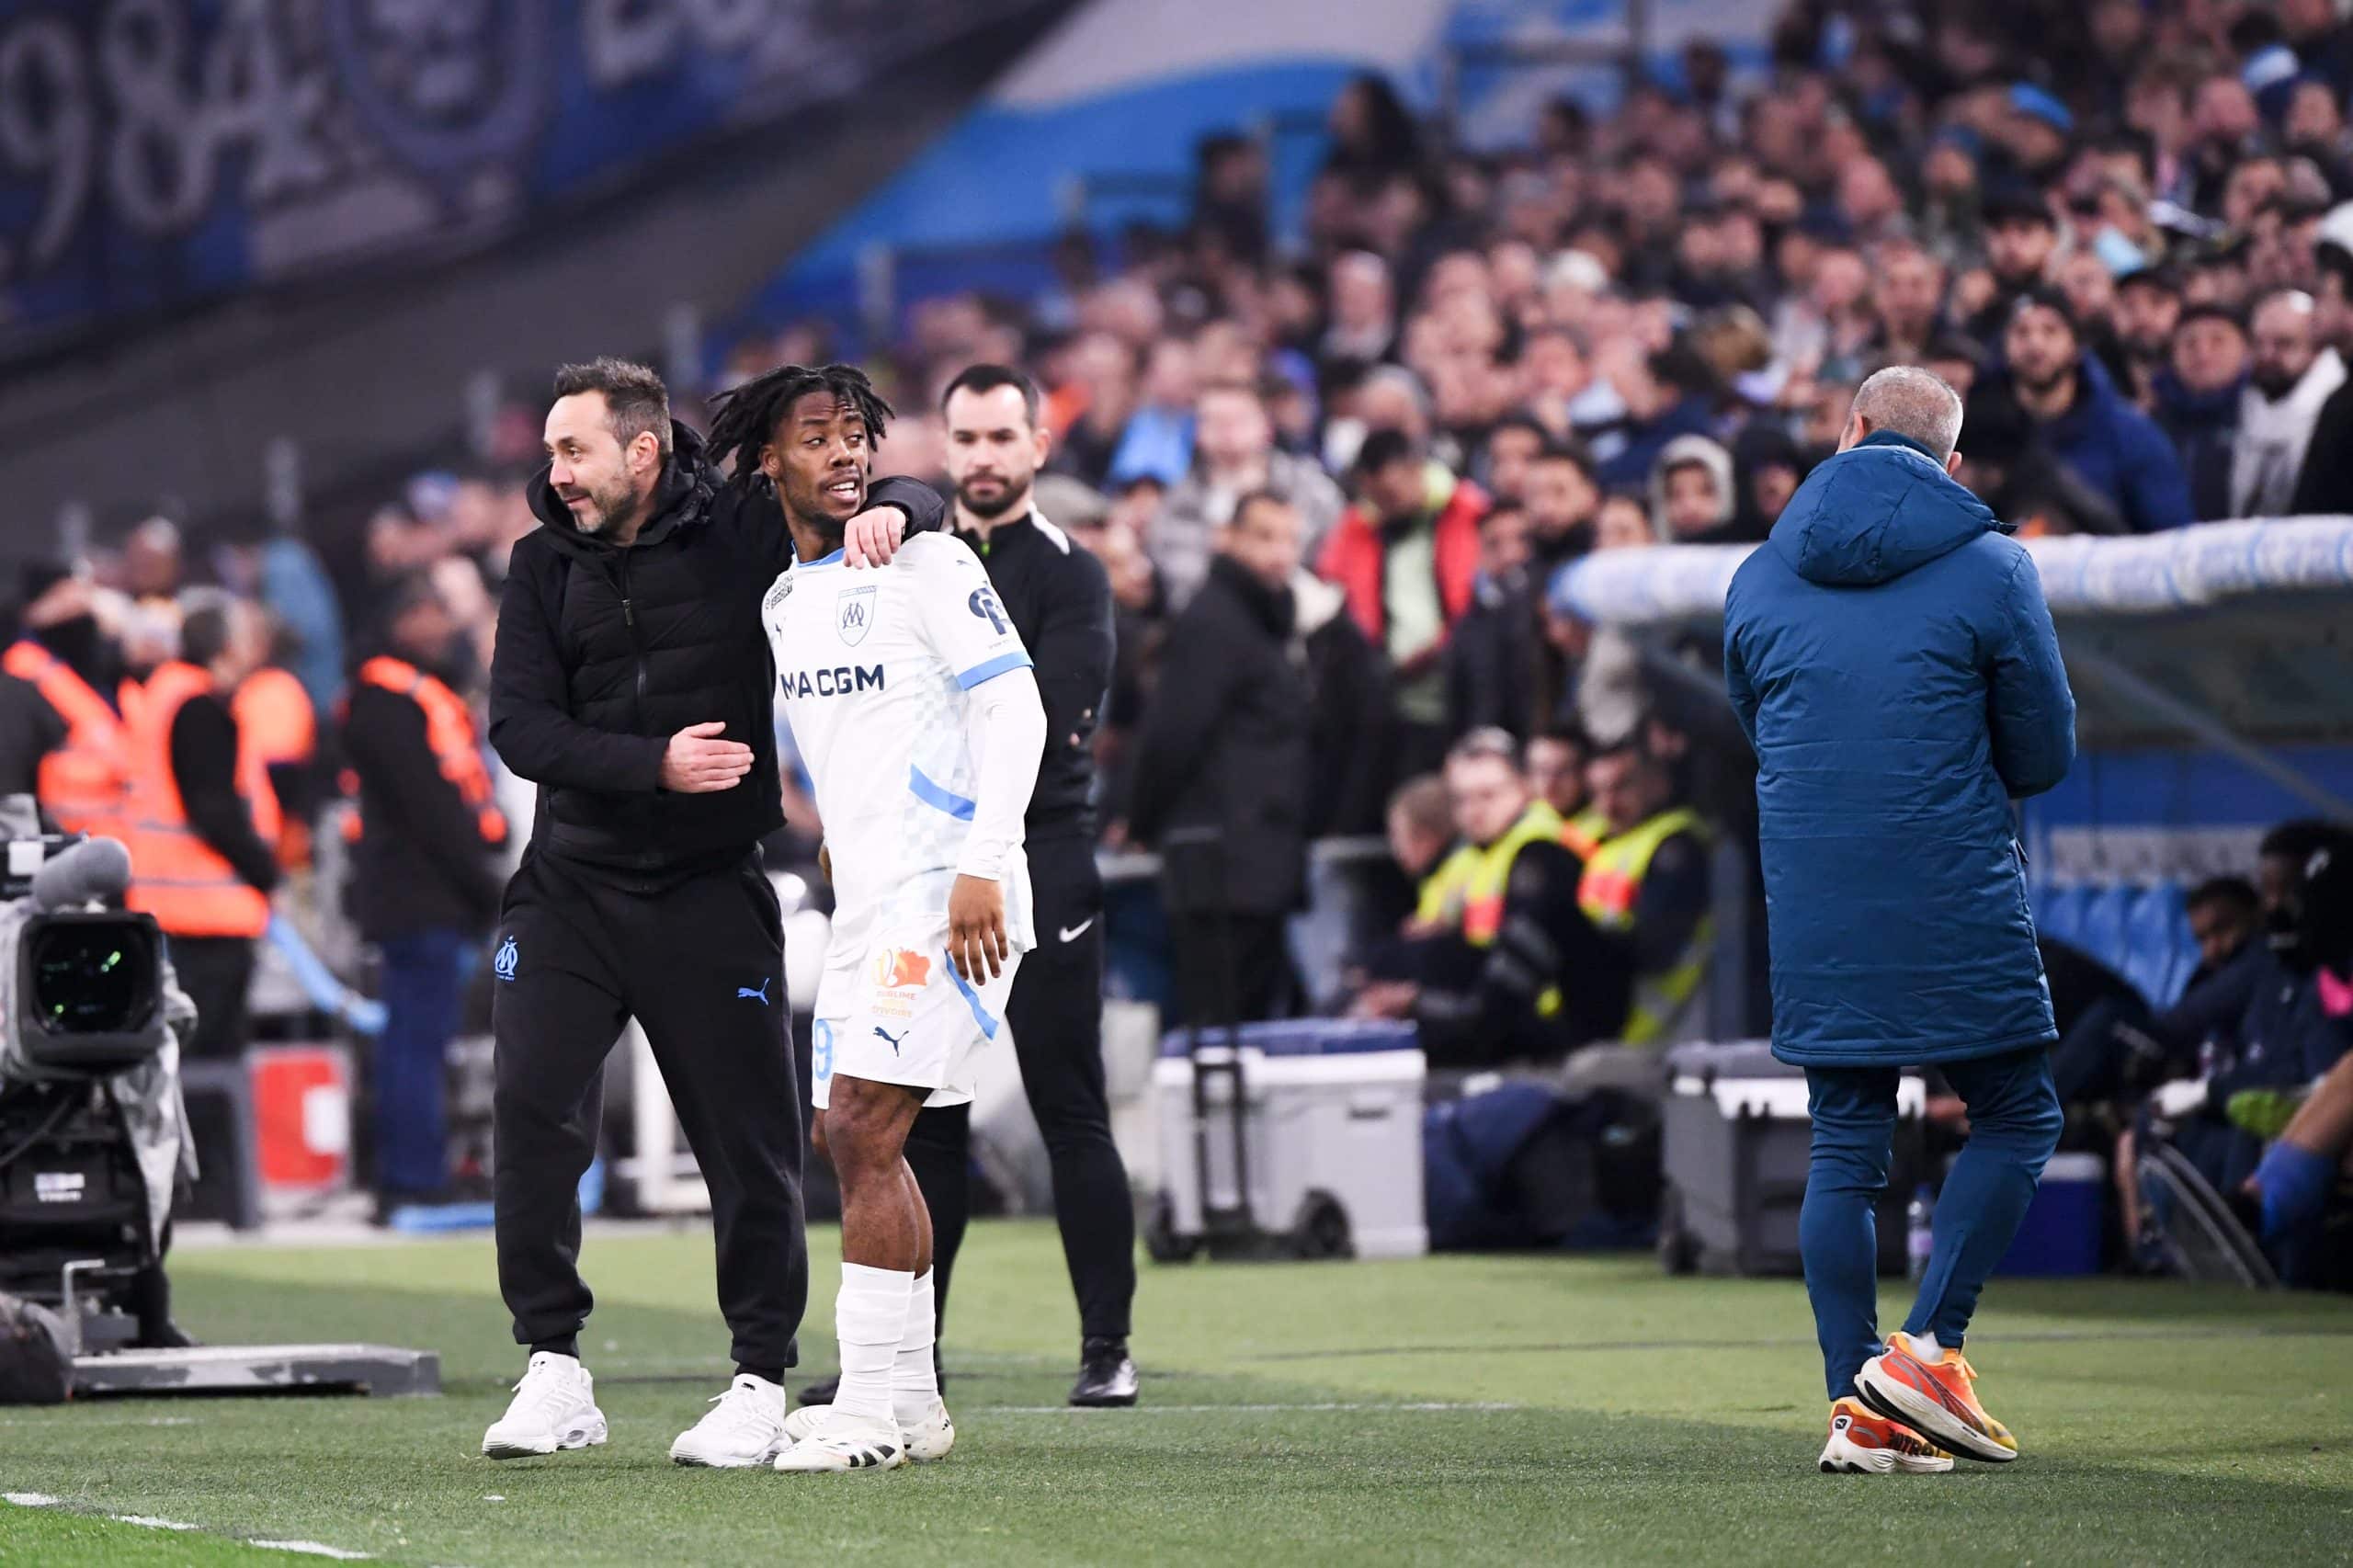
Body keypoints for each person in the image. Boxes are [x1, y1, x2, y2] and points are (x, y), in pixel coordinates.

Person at [479, 358, 942, 1469]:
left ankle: (755, 1379)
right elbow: (519, 728)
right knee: (532, 1113)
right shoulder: (540, 562)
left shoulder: (738, 527)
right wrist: (654, 763)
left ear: (642, 451)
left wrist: (892, 509)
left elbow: (900, 490)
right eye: (552, 451)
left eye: (573, 450)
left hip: (707, 892)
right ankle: (553, 1363)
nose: (556, 472)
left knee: (753, 1146)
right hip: (570, 889)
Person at [1723, 366, 2075, 1473]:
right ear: (1951, 464)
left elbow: (1758, 724)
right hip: (1951, 875)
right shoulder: (1990, 562)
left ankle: (1853, 1404)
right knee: (2016, 1111)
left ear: (1849, 430)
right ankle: (1926, 1350)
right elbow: (2044, 751)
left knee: (1845, 1142)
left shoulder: (1757, 574)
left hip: (1817, 888)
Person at [798, 363, 1140, 1415]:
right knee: (919, 1118)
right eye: (968, 437)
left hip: (1037, 852)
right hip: (916, 867)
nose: (986, 454)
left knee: (1065, 1098)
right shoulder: (901, 548)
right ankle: (913, 1357)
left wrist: (979, 852)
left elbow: (1048, 717)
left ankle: (1106, 1344)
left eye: (1005, 436)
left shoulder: (1070, 573)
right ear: (943, 450)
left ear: (1038, 446)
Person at [756, 368, 1048, 1474]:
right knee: (848, 1133)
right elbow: (863, 735)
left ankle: (867, 1407)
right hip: (868, 896)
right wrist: (843, 831)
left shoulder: (927, 559)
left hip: (951, 891)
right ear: (769, 463)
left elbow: (1011, 704)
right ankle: (914, 1397)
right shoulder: (785, 598)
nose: (843, 455)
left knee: (866, 1128)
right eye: (816, 438)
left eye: (856, 437)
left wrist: (986, 858)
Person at [339, 575, 509, 1218]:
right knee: (414, 1042)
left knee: (419, 1040)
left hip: (430, 894)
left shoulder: (407, 692)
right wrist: (483, 883)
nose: (446, 628)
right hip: (420, 896)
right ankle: (411, 1174)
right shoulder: (386, 698)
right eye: (433, 612)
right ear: (403, 620)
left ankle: (417, 1168)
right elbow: (429, 808)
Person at [1130, 490, 1313, 1024]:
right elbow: (1172, 734)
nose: (1279, 554)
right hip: (1222, 866)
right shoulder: (1216, 621)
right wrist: (1143, 817)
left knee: (1250, 1021)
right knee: (1224, 1025)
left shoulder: (1259, 620)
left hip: (1249, 864)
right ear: (1227, 538)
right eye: (1263, 536)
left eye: (1290, 539)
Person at [123, 595, 281, 1070]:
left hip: (179, 911)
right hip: (208, 914)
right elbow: (214, 809)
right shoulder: (199, 707)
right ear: (225, 646)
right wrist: (264, 870)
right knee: (211, 1070)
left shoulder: (168, 695)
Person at [1319, 428, 1488, 777]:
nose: (1384, 505)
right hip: (1390, 695)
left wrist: (1443, 650)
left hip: (1462, 681)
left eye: (1390, 493)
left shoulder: (1469, 513)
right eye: (1374, 495)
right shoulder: (1359, 526)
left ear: (1415, 470)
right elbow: (1331, 587)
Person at [1983, 289, 2192, 532]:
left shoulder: (2131, 434)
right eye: (2021, 332)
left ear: (2075, 345)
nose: (2035, 344)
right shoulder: (1982, 437)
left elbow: (2171, 537)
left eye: (2050, 331)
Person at [1152, 379, 1346, 610]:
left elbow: (1337, 564)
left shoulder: (1312, 489)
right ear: (1197, 432)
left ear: (1267, 426)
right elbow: (1181, 589)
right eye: (1214, 421)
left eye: (1240, 420)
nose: (1227, 432)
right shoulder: (1178, 504)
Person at [1576, 739, 1713, 1047]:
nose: (1608, 805)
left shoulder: (1677, 845)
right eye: (1598, 792)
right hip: (1603, 1033)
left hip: (1659, 1038)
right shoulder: (1601, 844)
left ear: (1658, 783)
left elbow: (1654, 948)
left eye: (1622, 788)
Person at [4, 570, 122, 837]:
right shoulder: (22, 674)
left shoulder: (91, 671)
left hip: (101, 846)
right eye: (62, 600)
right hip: (51, 848)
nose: (76, 609)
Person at [2232, 290, 2346, 517]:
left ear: (2317, 347)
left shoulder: (2341, 410)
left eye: (2283, 343)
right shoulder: (2242, 403)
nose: (2267, 355)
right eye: (2258, 343)